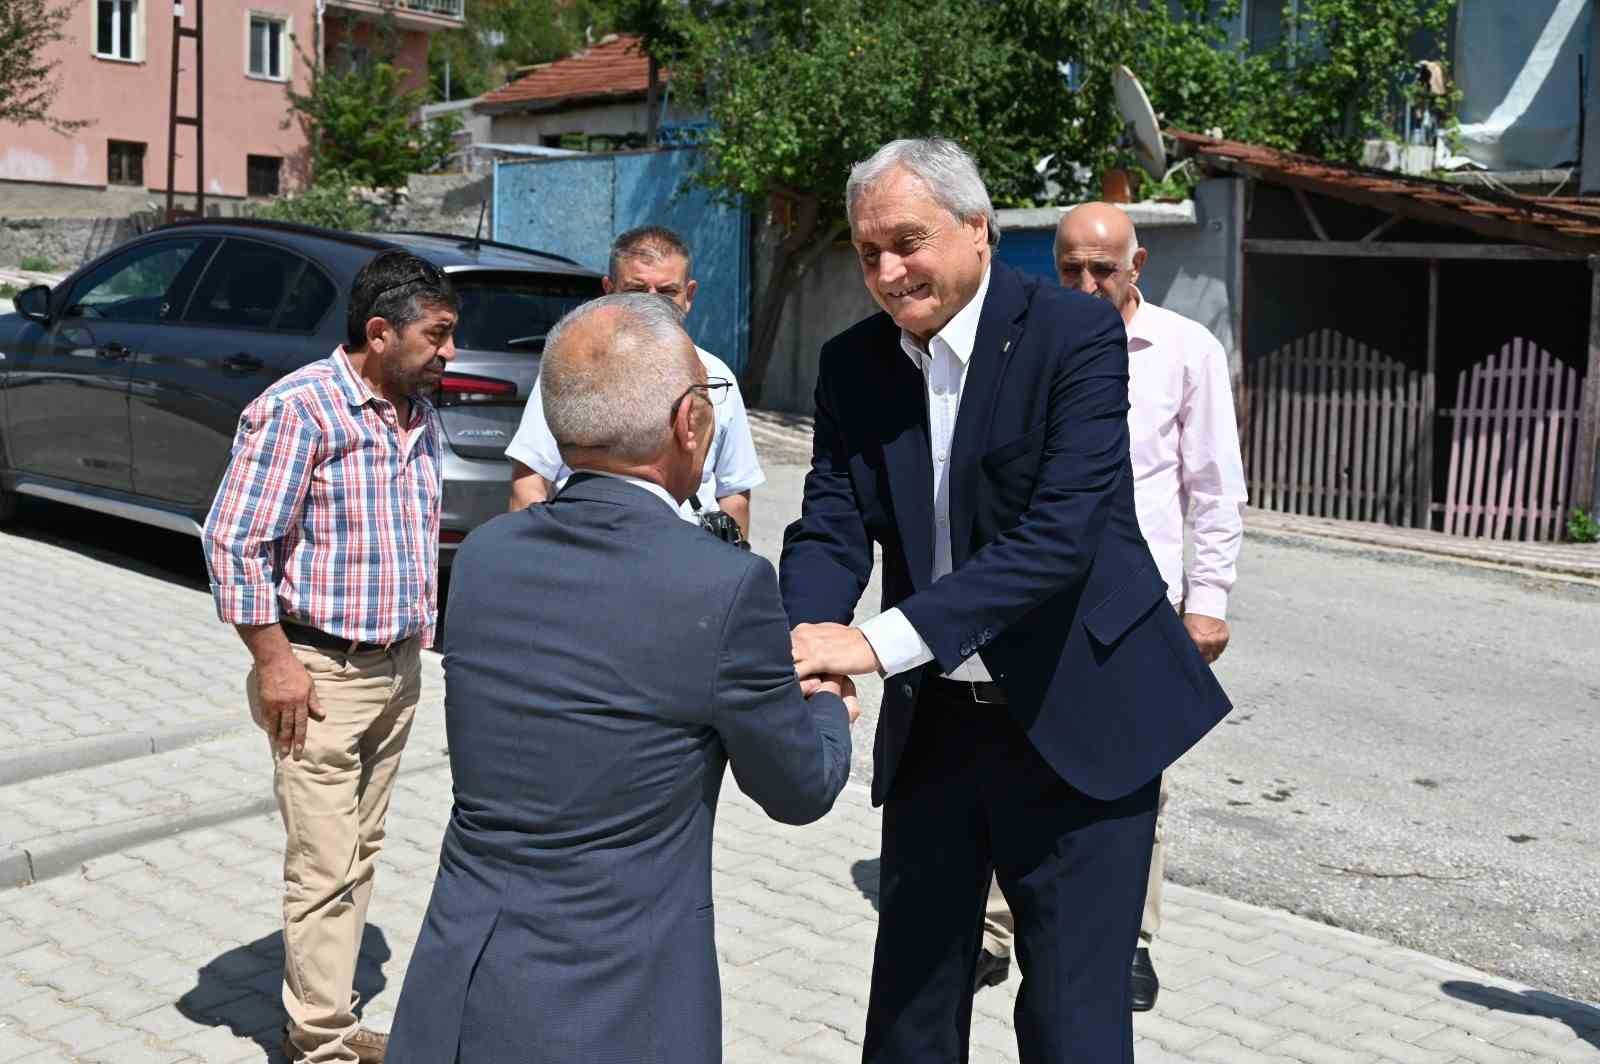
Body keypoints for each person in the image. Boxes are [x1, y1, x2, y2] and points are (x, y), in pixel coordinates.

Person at [779, 138, 1233, 1063]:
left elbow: (1059, 540)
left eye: (907, 242)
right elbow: (831, 523)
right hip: (940, 728)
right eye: (869, 254)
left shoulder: (1074, 334)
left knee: (1073, 1025)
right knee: (908, 1014)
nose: (888, 271)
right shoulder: (852, 364)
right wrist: (806, 638)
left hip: (1079, 722)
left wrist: (873, 643)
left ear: (978, 230)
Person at [386, 293, 855, 1064]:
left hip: (464, 983)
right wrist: (828, 700)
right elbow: (798, 788)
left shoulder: (486, 558)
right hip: (620, 1004)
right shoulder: (723, 586)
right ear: (689, 423)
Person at [976, 202, 1249, 1009]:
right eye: (1071, 269)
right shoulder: (1027, 342)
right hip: (1035, 595)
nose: (1087, 284)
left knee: (1135, 771)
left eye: (1104, 269)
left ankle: (1127, 935)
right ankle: (995, 928)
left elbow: (1214, 487)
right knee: (1013, 755)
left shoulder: (1184, 350)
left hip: (1139, 602)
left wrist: (1209, 599)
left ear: (1138, 267)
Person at [202, 250, 459, 1064]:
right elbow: (233, 543)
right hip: (317, 678)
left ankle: (330, 1015)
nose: (449, 351)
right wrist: (276, 664)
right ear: (380, 333)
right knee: (324, 863)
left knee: (360, 852)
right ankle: (319, 1043)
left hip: (395, 669)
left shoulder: (417, 410)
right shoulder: (301, 410)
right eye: (438, 334)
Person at [506, 224, 765, 538]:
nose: (652, 303)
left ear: (689, 295)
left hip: (690, 567)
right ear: (609, 289)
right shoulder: (575, 366)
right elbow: (529, 482)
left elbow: (733, 490)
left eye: (668, 292)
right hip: (589, 554)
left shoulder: (717, 375)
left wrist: (728, 570)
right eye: (636, 290)